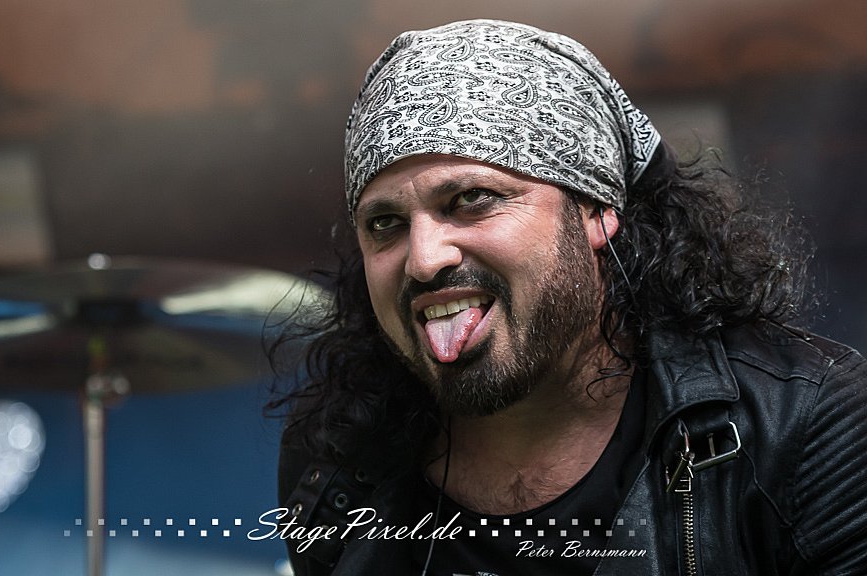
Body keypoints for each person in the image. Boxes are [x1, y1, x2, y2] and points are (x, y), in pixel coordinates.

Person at [270, 19, 867, 575]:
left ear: (596, 211)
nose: (425, 259)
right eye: (385, 224)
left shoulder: (801, 429)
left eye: (473, 199)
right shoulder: (339, 457)